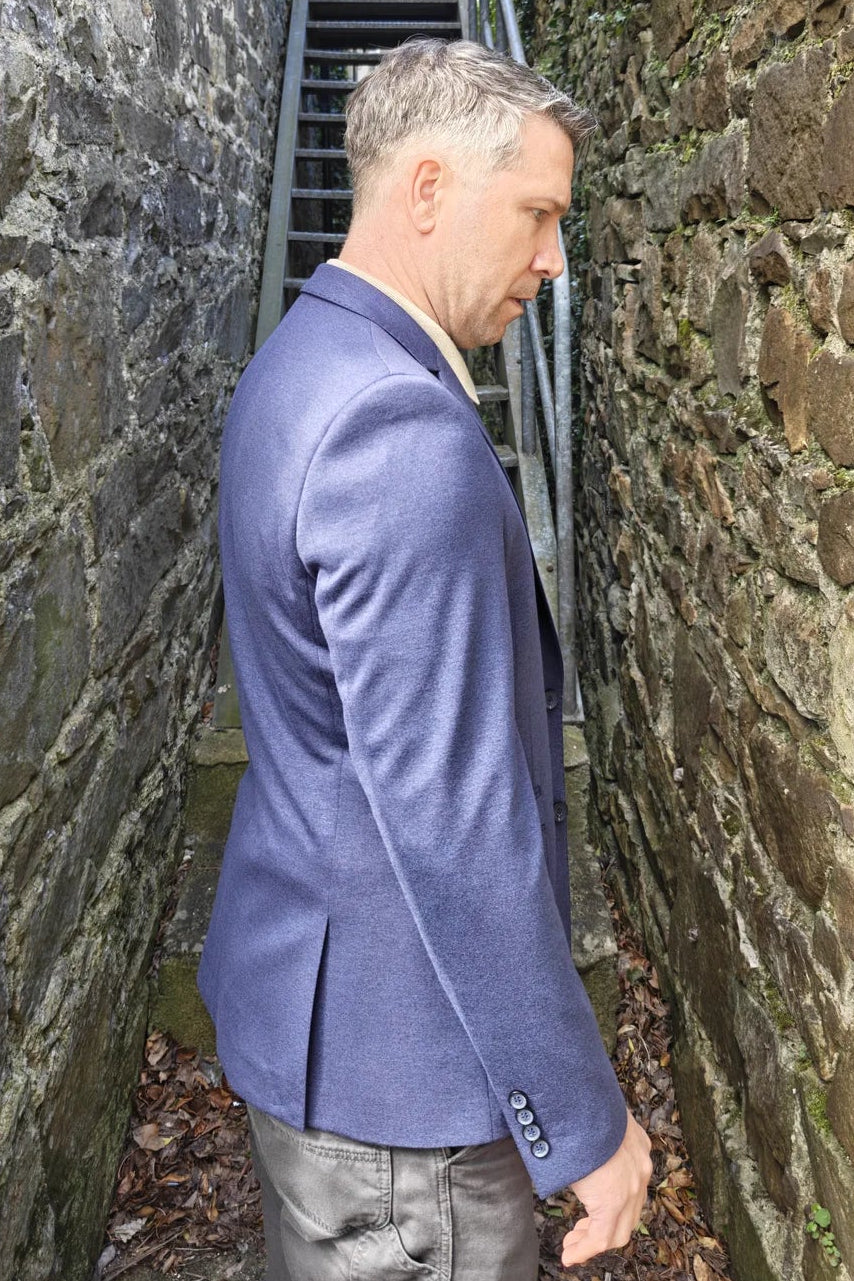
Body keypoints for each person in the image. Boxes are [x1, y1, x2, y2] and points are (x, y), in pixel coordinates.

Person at [198, 38, 651, 1281]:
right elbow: (450, 817)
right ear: (431, 189)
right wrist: (580, 1120)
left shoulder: (300, 364)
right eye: (540, 215)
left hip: (324, 1022)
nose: (553, 262)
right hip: (405, 1104)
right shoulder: (398, 429)